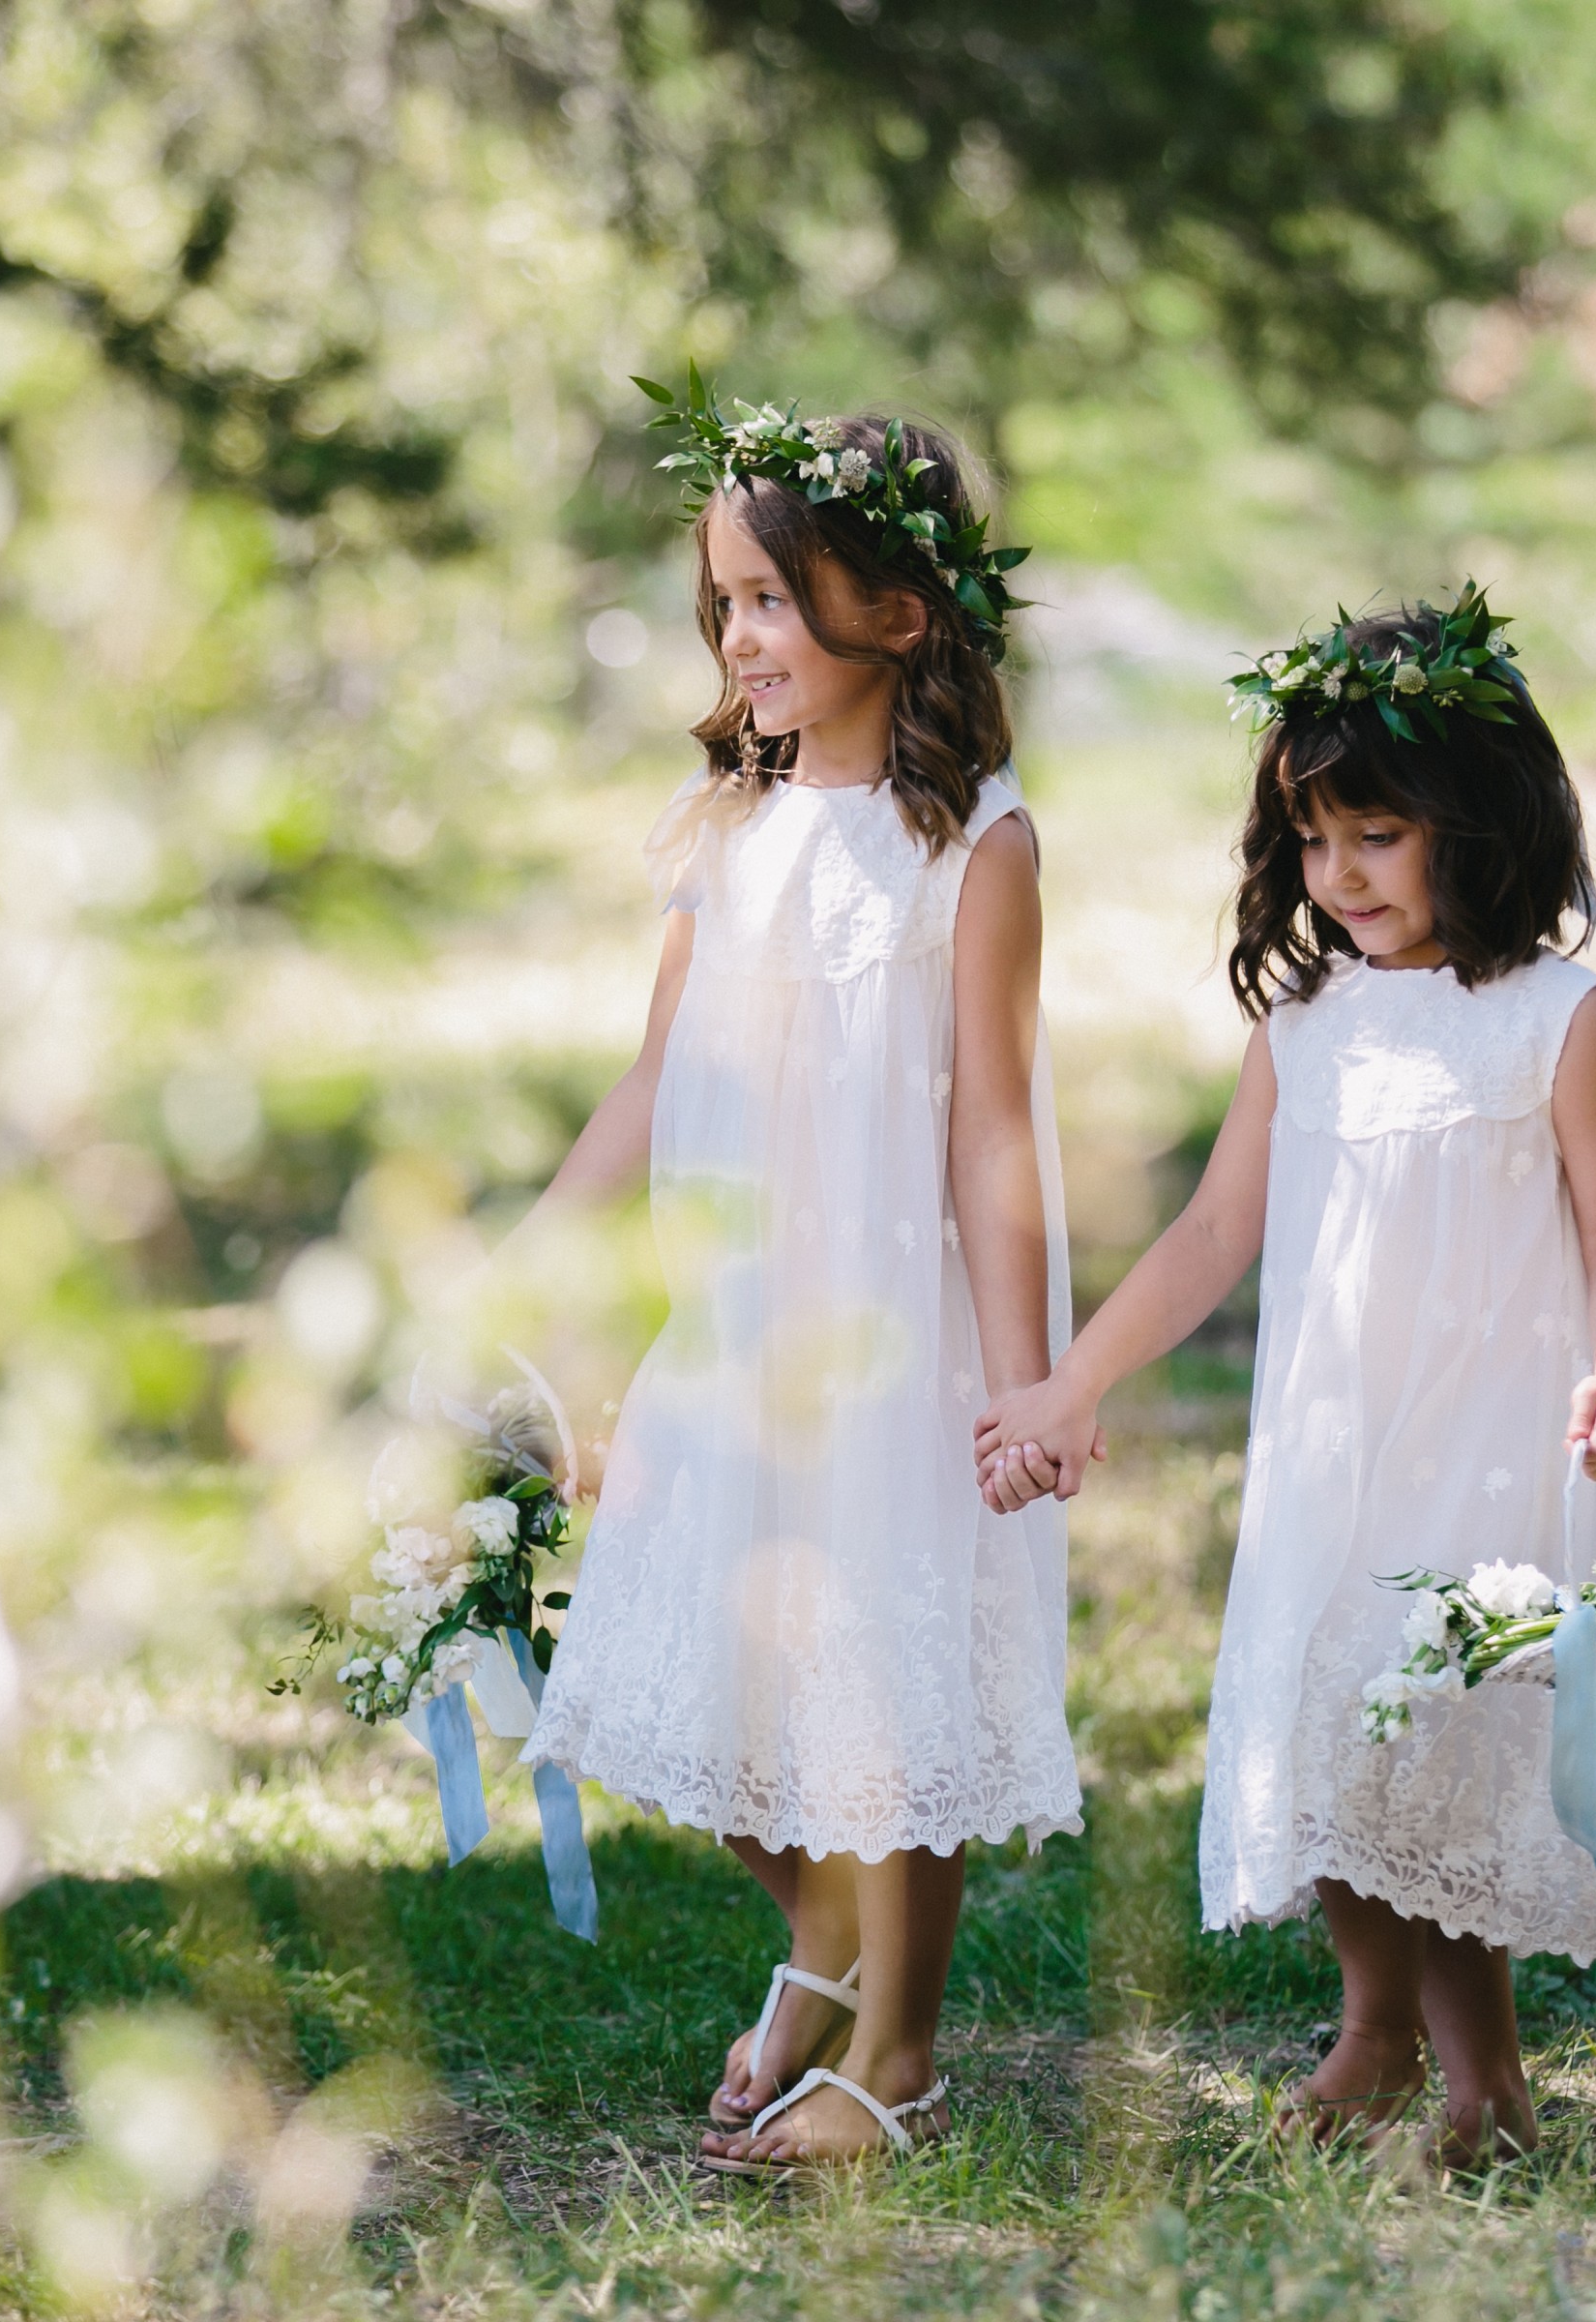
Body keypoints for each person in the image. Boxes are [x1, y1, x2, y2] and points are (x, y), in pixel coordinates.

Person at [973, 586, 1596, 2166]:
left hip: (1496, 1446)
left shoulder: (1564, 1022)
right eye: (1312, 840)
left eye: (1376, 834)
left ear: (1480, 824)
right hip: (1334, 1444)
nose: (1338, 875)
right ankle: (1370, 2031)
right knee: (1331, 1726)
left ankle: (1485, 2088)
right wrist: (1074, 1380)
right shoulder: (1310, 1023)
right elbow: (1217, 1227)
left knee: (1434, 1744)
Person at [517, 387, 1080, 2175]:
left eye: (776, 597)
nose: (744, 636)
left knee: (885, 1691)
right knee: (685, 1660)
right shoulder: (727, 828)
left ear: (897, 615)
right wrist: (529, 1276)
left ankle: (897, 2055)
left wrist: (1021, 1374)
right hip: (735, 1319)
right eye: (728, 603)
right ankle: (822, 1937)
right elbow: (650, 1076)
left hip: (893, 1334)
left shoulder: (970, 843)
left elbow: (995, 1126)